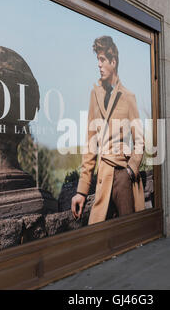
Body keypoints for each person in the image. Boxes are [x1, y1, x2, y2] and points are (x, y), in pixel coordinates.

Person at [71, 36, 145, 225]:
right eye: (98, 60)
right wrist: (82, 190)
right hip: (102, 177)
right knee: (98, 234)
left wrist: (130, 171)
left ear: (113, 62)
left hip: (123, 175)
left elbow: (140, 141)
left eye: (102, 60)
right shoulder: (95, 94)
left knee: (128, 233)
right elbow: (90, 144)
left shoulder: (128, 97)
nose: (99, 65)